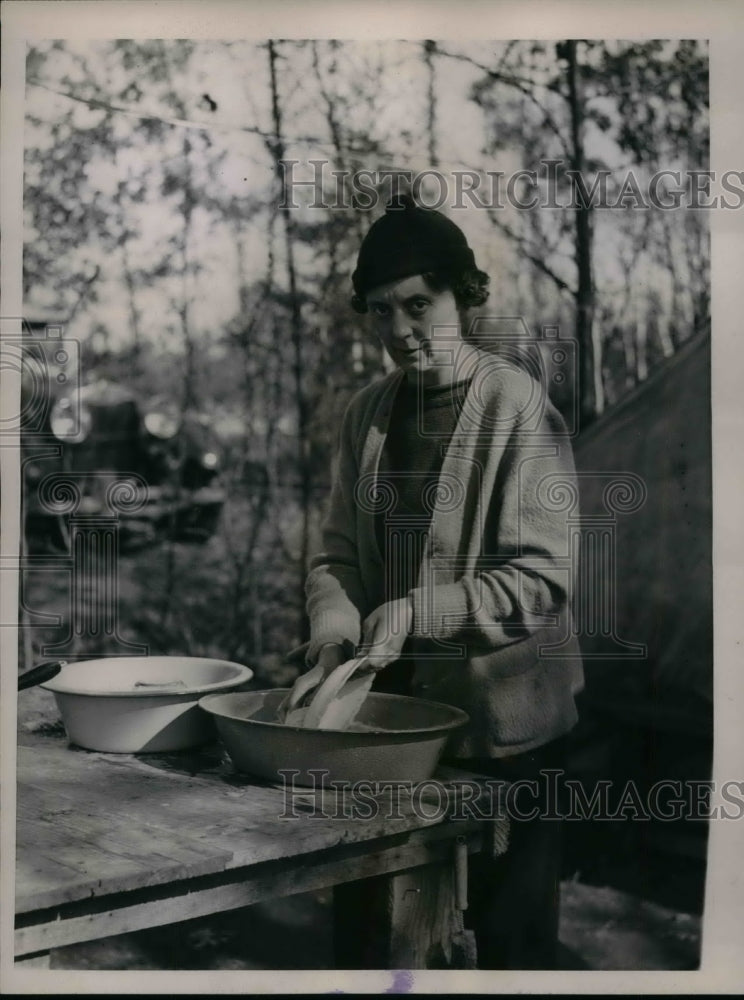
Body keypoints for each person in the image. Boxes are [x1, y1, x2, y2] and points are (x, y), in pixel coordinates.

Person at [302, 194, 584, 969]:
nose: (399, 331)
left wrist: (419, 612)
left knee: (512, 952)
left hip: (507, 732)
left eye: (419, 305)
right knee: (375, 946)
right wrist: (333, 634)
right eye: (382, 312)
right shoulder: (367, 414)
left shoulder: (518, 408)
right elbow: (335, 560)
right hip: (389, 733)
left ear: (465, 294)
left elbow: (542, 579)